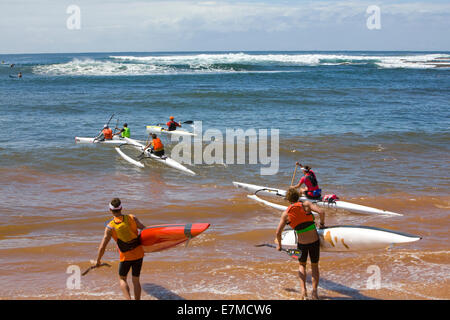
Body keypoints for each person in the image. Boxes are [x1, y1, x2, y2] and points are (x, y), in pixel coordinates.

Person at [275, 187, 325, 300]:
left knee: (302, 265)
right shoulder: (306, 204)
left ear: (288, 200)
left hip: (302, 244)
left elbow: (278, 232)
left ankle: (303, 291)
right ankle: (315, 293)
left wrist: (279, 245)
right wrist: (321, 224)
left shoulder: (286, 214)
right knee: (314, 266)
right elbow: (322, 212)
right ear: (298, 197)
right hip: (314, 242)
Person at [95, 198, 146, 300]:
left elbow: (102, 247)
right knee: (136, 280)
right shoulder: (132, 218)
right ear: (121, 208)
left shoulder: (110, 227)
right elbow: (145, 230)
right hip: (139, 254)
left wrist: (98, 261)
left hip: (125, 257)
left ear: (110, 210)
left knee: (122, 279)